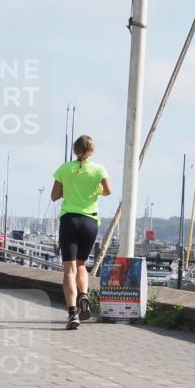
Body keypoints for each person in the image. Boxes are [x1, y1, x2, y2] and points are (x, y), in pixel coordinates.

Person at [51, 135, 111, 330]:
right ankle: (84, 294)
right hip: (90, 221)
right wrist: (96, 191)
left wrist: (68, 188)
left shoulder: (64, 169)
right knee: (82, 265)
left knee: (69, 269)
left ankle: (72, 313)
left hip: (69, 220)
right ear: (91, 151)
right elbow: (108, 190)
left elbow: (54, 196)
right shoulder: (99, 169)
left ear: (75, 150)